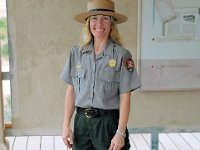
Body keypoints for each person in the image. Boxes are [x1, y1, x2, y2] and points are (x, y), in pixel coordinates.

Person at [60, 0, 141, 149]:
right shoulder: (76, 52)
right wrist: (66, 126)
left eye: (105, 18)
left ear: (112, 24)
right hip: (81, 123)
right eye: (94, 18)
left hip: (108, 124)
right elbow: (71, 91)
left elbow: (125, 96)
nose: (99, 23)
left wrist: (120, 132)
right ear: (88, 23)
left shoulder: (122, 55)